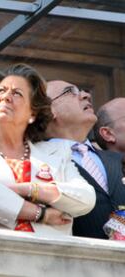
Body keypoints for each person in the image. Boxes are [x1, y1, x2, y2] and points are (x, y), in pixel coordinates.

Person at [0, 64, 95, 236]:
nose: (6, 97)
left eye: (17, 93)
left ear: (32, 113)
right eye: (1, 91)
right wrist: (42, 214)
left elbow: (86, 199)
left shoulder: (57, 152)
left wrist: (28, 189)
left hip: (51, 258)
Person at [45, 80, 125, 239]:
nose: (86, 95)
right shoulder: (39, 162)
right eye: (69, 92)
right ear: (48, 112)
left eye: (81, 91)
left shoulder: (118, 159)